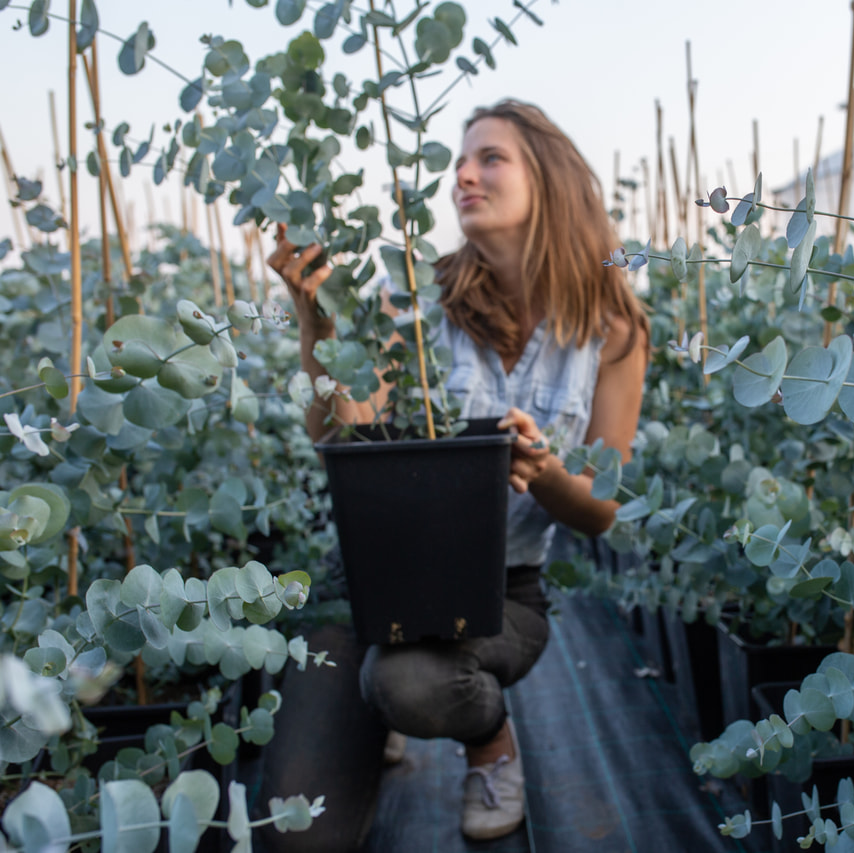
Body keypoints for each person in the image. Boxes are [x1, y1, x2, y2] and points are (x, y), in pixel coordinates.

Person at [267, 99, 649, 841]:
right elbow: (343, 433)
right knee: (297, 833)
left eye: (490, 158)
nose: (463, 176)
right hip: (373, 578)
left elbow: (604, 507)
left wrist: (541, 471)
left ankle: (488, 741)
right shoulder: (413, 303)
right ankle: (379, 722)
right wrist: (315, 318)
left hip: (500, 589)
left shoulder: (614, 330)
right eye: (457, 163)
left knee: (407, 680)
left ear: (551, 179)